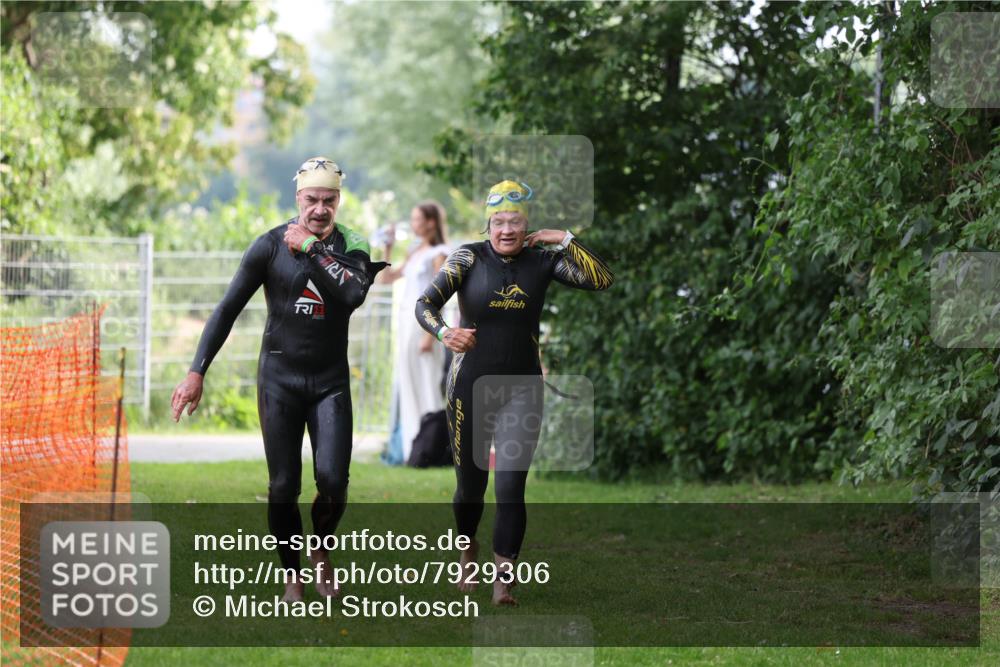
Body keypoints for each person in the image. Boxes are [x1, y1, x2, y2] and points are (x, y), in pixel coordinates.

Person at [170, 157, 386, 601]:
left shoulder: (354, 245)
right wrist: (196, 372)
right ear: (298, 198)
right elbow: (226, 309)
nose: (320, 209)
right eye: (312, 200)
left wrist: (311, 247)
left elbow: (351, 294)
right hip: (279, 381)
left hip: (330, 383)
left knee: (332, 480)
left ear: (339, 200)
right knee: (283, 485)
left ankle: (321, 551)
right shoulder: (268, 246)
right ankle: (292, 573)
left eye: (329, 200)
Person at [414, 180, 614, 605]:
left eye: (516, 221)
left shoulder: (543, 261)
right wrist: (446, 332)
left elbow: (602, 279)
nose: (507, 230)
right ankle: (467, 548)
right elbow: (424, 305)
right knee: (471, 488)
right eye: (499, 222)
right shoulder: (467, 256)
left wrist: (566, 239)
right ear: (489, 225)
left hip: (522, 387)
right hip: (469, 385)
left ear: (528, 225)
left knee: (510, 487)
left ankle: (503, 580)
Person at [378, 201, 450, 464]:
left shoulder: (439, 253)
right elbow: (387, 278)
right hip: (407, 324)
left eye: (418, 219)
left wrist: (431, 334)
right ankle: (414, 449)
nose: (414, 223)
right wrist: (388, 246)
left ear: (431, 222)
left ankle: (435, 447)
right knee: (408, 384)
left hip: (425, 326)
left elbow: (441, 295)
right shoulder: (415, 251)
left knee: (428, 384)